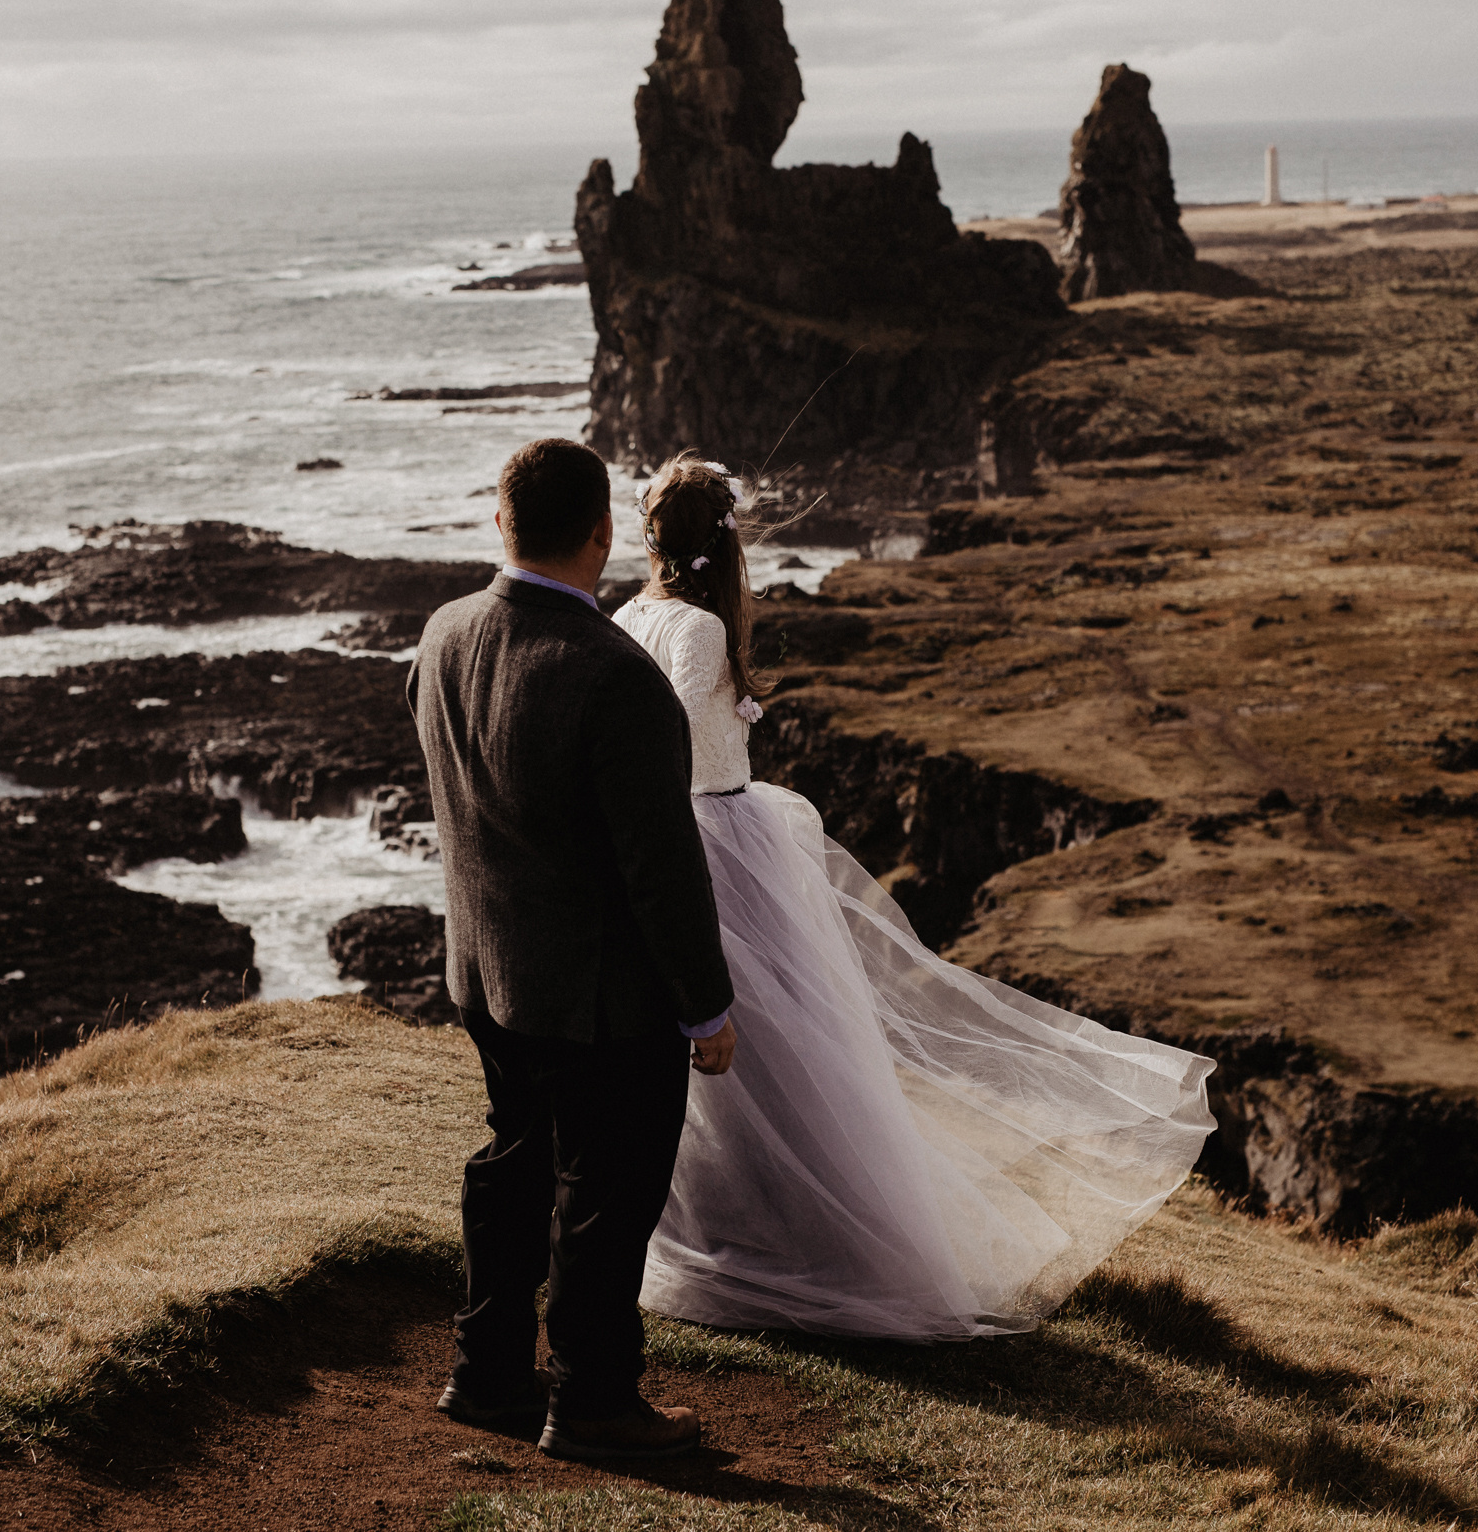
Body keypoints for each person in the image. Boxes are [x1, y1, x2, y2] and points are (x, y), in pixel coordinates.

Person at [612, 454, 1219, 1340]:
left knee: (756, 1060)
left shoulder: (629, 614)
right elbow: (678, 748)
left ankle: (739, 1224)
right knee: (785, 1056)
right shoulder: (699, 633)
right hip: (724, 843)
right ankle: (792, 1243)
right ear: (726, 541)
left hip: (706, 835)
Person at [407, 437, 739, 1462]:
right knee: (608, 1186)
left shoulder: (444, 631)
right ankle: (592, 1396)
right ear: (601, 532)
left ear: (500, 521)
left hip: (485, 968)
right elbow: (660, 865)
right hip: (600, 993)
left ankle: (485, 1369)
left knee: (513, 1156)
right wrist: (706, 1004)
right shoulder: (614, 674)